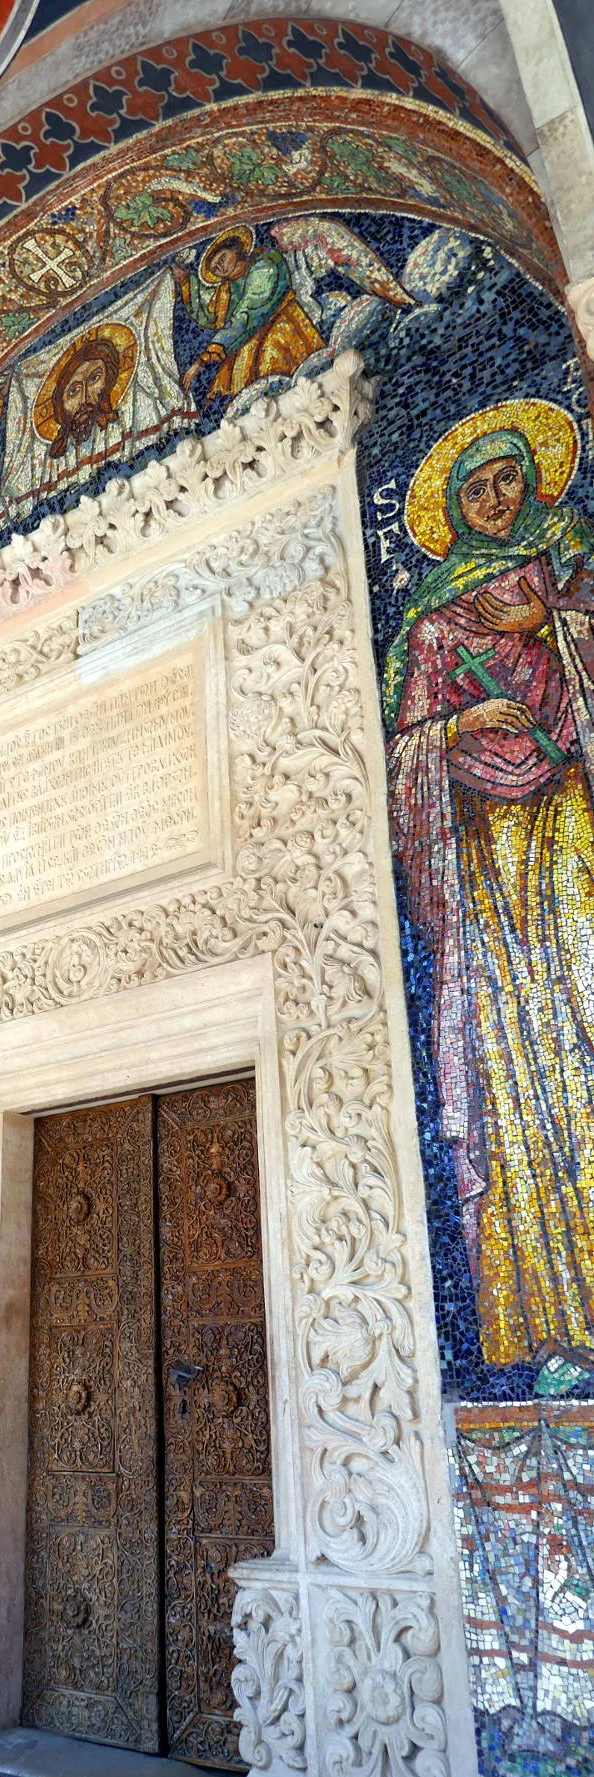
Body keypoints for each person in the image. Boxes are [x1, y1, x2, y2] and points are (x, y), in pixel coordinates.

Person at [385, 415, 594, 1396]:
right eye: (478, 490)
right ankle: (539, 1318)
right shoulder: (431, 625)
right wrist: (459, 722)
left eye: (509, 479)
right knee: (507, 1057)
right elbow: (406, 751)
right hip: (478, 855)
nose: (498, 499)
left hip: (563, 828)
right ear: (452, 511)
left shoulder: (564, 587)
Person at [174, 228, 323, 400]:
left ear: (237, 248)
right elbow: (208, 314)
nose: (220, 267)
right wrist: (186, 281)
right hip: (250, 342)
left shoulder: (265, 264)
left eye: (222, 258)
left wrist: (202, 360)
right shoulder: (226, 291)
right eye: (215, 268)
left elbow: (245, 315)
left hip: (281, 331)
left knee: (279, 377)